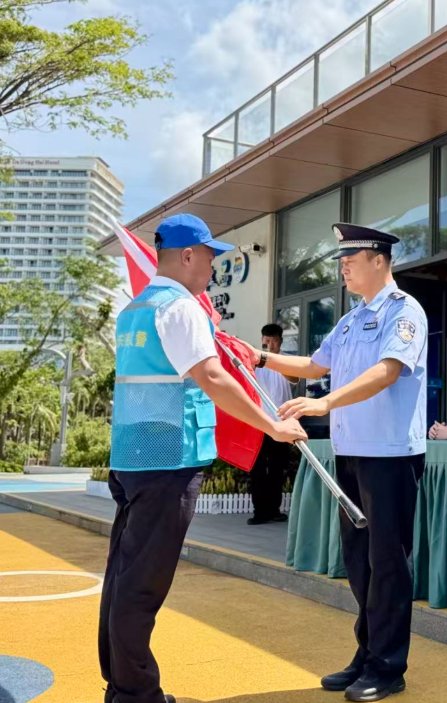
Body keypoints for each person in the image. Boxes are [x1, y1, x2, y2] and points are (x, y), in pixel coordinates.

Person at [101, 213, 306, 703]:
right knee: (142, 585)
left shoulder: (135, 308)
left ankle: (121, 683)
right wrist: (273, 426)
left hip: (133, 455)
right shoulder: (180, 308)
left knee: (124, 576)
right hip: (167, 459)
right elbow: (212, 378)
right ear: (188, 255)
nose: (213, 268)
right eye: (210, 256)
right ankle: (134, 694)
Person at [251, 222, 426, 702]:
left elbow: (387, 371)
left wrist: (325, 403)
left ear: (379, 260)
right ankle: (367, 654)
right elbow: (314, 365)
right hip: (351, 455)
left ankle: (388, 666)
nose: (343, 268)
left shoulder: (404, 311)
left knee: (388, 563)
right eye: (341, 261)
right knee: (359, 563)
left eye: (351, 260)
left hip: (389, 455)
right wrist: (259, 358)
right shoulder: (350, 320)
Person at [247, 323, 297, 525]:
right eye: (266, 340)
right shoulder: (254, 361)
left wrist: (273, 360)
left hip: (282, 423)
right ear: (262, 340)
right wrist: (260, 359)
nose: (270, 344)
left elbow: (294, 378)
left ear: (280, 341)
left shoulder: (286, 360)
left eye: (274, 340)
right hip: (260, 423)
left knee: (277, 468)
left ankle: (274, 510)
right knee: (257, 468)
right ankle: (260, 511)